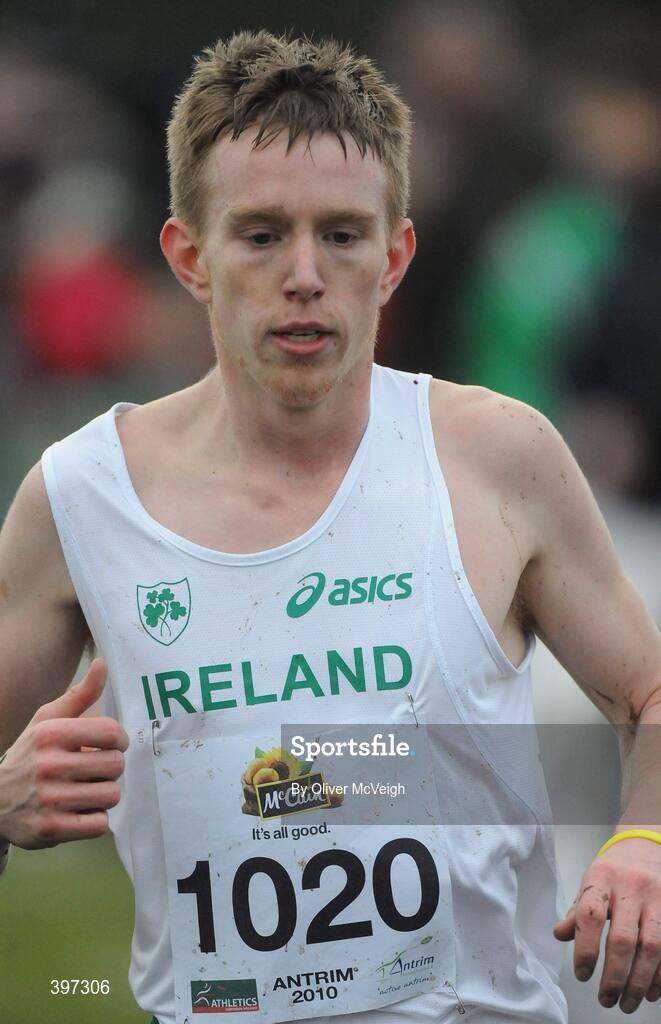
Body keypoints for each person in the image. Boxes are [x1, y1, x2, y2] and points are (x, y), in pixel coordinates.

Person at [0, 30, 660, 1024]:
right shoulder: (83, 495)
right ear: (189, 256)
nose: (304, 274)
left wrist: (642, 845)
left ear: (393, 257)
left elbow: (649, 693)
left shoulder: (495, 456)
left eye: (342, 235)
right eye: (260, 234)